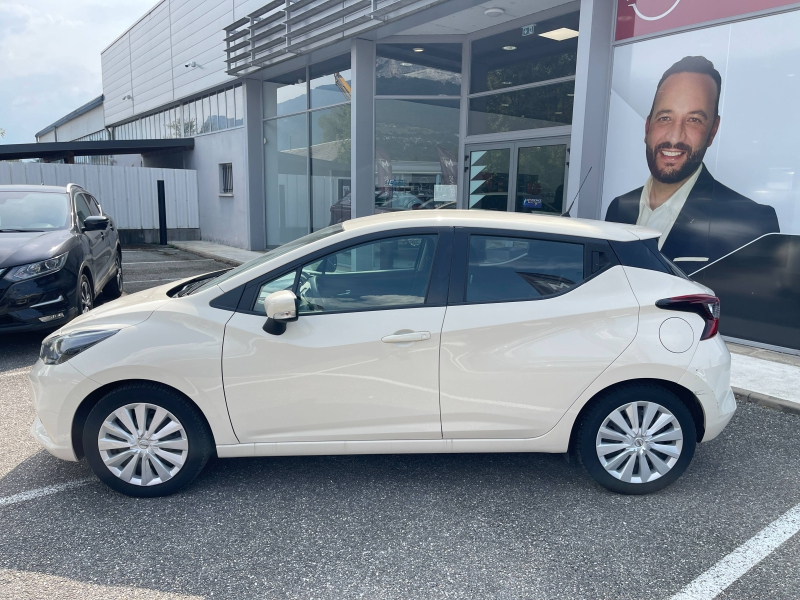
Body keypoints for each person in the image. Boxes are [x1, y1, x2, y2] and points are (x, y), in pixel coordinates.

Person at [605, 56, 779, 269]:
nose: (675, 136)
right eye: (665, 118)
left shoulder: (753, 223)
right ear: (647, 126)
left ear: (712, 131)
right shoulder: (618, 208)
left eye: (694, 120)